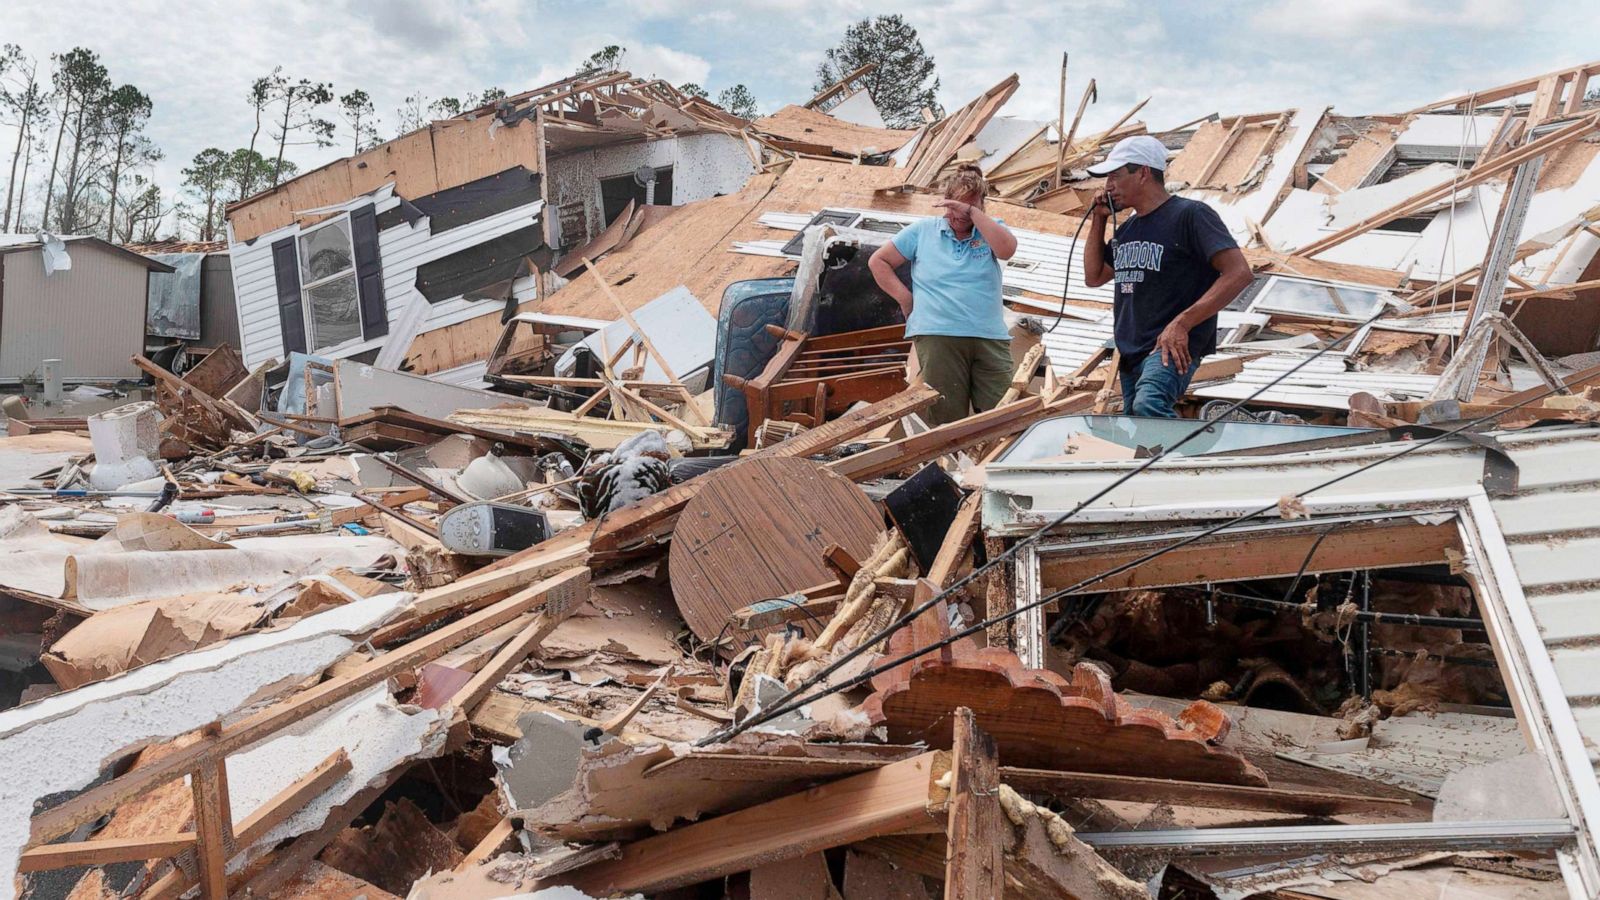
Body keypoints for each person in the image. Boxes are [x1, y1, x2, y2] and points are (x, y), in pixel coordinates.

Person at [1083, 135, 1253, 418]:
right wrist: (1098, 219)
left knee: (1148, 406)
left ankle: (1188, 462)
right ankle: (1163, 462)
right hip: (1131, 348)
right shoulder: (1127, 229)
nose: (1108, 186)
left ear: (1144, 174)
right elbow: (1094, 276)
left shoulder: (1191, 215)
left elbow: (1239, 273)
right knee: (1139, 424)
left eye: (1115, 175)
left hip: (1169, 345)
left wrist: (1183, 323)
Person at [868, 164, 1020, 426]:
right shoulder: (923, 231)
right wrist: (906, 299)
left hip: (989, 336)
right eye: (953, 207)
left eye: (967, 208)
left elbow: (1007, 250)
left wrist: (973, 214)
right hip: (939, 334)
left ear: (981, 205)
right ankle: (947, 466)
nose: (958, 216)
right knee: (945, 417)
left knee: (1002, 416)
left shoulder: (991, 228)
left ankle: (990, 463)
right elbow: (878, 261)